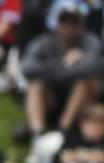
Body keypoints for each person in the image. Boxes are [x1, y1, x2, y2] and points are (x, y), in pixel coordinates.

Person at [21, 3, 102, 141]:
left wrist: (51, 71)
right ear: (57, 22)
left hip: (83, 103)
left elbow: (90, 68)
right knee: (35, 84)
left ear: (81, 25)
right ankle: (37, 137)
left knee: (84, 82)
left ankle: (61, 134)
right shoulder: (43, 42)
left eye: (74, 22)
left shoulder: (91, 41)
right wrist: (62, 62)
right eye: (65, 21)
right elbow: (27, 68)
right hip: (51, 99)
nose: (69, 26)